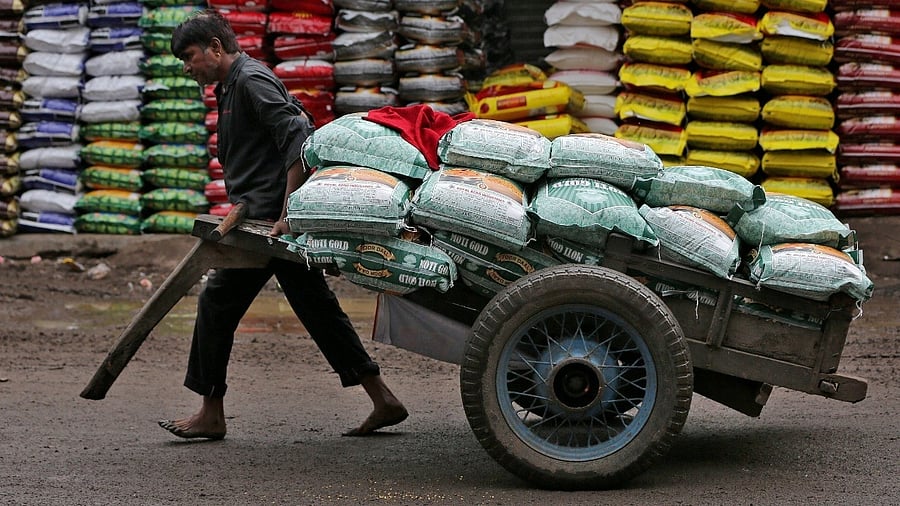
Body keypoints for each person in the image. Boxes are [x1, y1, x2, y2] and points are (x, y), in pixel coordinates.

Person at [157, 9, 408, 440]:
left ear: (215, 48)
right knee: (316, 308)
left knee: (217, 302)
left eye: (190, 56)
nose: (187, 67)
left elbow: (297, 138)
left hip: (271, 226)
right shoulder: (229, 86)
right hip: (259, 220)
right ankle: (381, 398)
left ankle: (211, 413)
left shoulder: (251, 80)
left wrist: (288, 213)